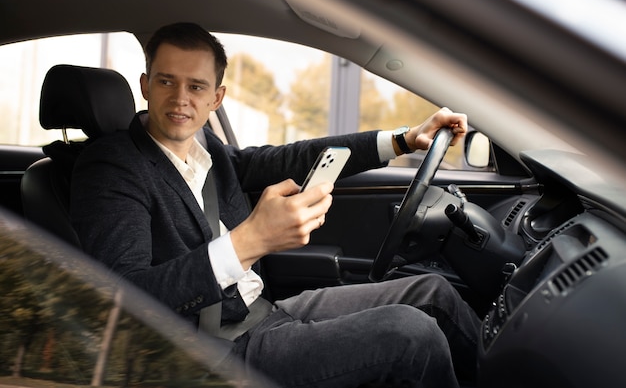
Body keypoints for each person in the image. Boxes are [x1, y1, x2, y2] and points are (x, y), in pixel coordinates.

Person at [71, 22, 480, 388]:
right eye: (166, 82)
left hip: (264, 312)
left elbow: (286, 159)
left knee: (432, 292)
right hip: (210, 351)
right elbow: (123, 299)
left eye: (195, 86)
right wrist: (249, 242)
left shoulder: (204, 146)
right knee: (411, 333)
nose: (180, 99)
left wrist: (403, 139)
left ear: (217, 97)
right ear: (145, 86)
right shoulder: (111, 166)